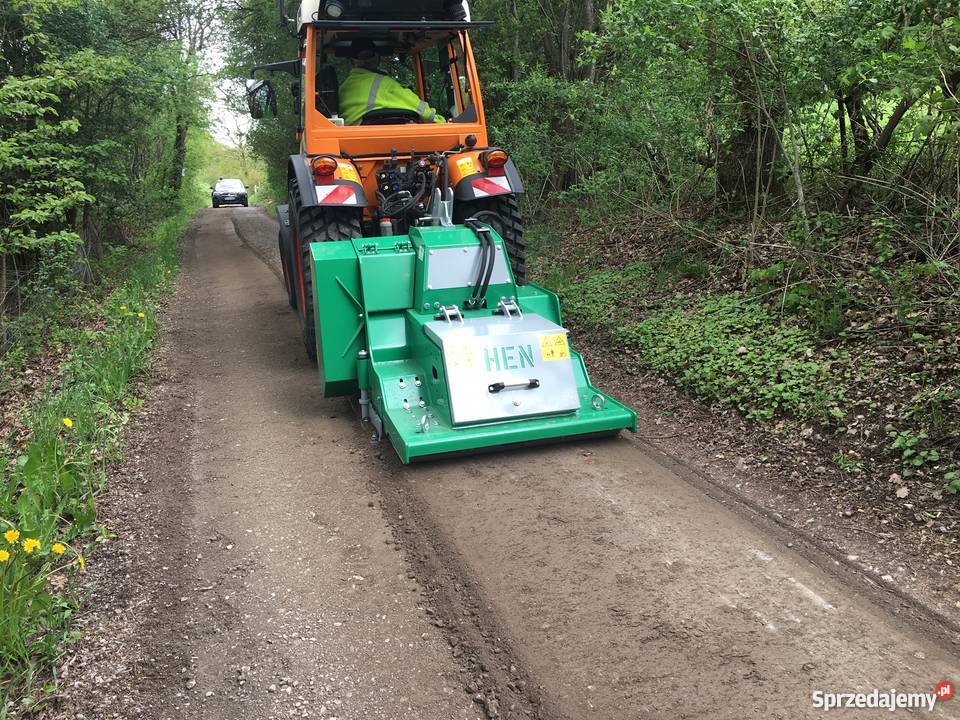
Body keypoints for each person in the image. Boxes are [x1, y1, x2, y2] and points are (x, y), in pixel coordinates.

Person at [339, 39, 444, 125]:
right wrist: (441, 120)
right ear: (378, 59)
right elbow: (424, 111)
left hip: (354, 143)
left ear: (352, 61)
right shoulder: (385, 83)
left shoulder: (343, 89)